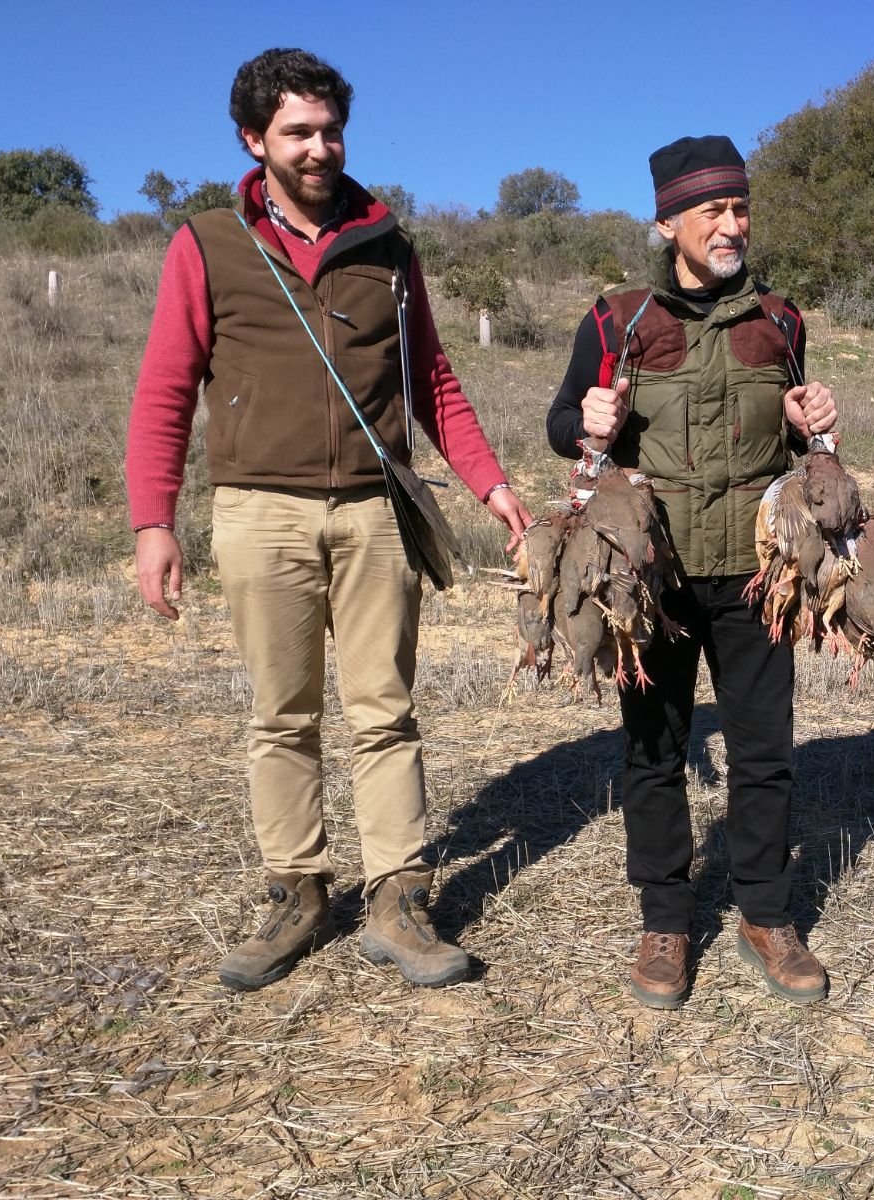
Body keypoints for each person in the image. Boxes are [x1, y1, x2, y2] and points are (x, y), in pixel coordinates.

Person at [125, 48, 532, 992]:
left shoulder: (388, 246)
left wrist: (491, 484)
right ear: (253, 139)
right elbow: (164, 391)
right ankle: (299, 895)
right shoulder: (208, 244)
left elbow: (432, 378)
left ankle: (397, 900)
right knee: (283, 714)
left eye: (330, 130)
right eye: (297, 133)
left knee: (386, 712)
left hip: (375, 509)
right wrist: (155, 522)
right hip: (257, 510)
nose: (319, 149)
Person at [546, 135, 838, 1009]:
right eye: (711, 209)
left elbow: (801, 439)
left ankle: (764, 916)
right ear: (666, 220)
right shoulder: (617, 319)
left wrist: (815, 422)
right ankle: (665, 923)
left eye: (740, 206)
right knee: (653, 750)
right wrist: (583, 420)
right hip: (654, 575)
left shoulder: (779, 321)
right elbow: (566, 421)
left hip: (755, 573)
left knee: (764, 754)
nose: (730, 224)